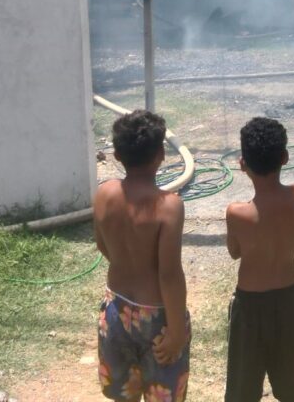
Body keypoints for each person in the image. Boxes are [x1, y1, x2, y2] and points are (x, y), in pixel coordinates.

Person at [93, 109, 190, 402]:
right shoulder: (169, 206)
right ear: (161, 152)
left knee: (123, 395)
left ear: (118, 155)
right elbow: (169, 274)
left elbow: (102, 245)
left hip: (115, 310)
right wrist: (174, 331)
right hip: (157, 319)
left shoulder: (104, 193)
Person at [224, 116, 294, 402]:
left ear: (243, 164)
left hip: (250, 306)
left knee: (243, 389)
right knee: (289, 387)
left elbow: (235, 252)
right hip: (288, 300)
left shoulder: (237, 213)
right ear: (284, 157)